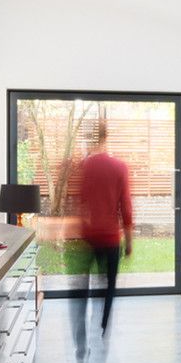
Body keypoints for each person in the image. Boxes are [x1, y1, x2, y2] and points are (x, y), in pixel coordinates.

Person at [78, 121, 133, 333]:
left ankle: (81, 327)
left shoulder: (86, 166)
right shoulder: (119, 167)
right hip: (111, 239)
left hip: (90, 238)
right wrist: (128, 243)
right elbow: (126, 208)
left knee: (85, 284)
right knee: (109, 285)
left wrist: (83, 228)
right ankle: (103, 325)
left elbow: (81, 201)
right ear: (105, 139)